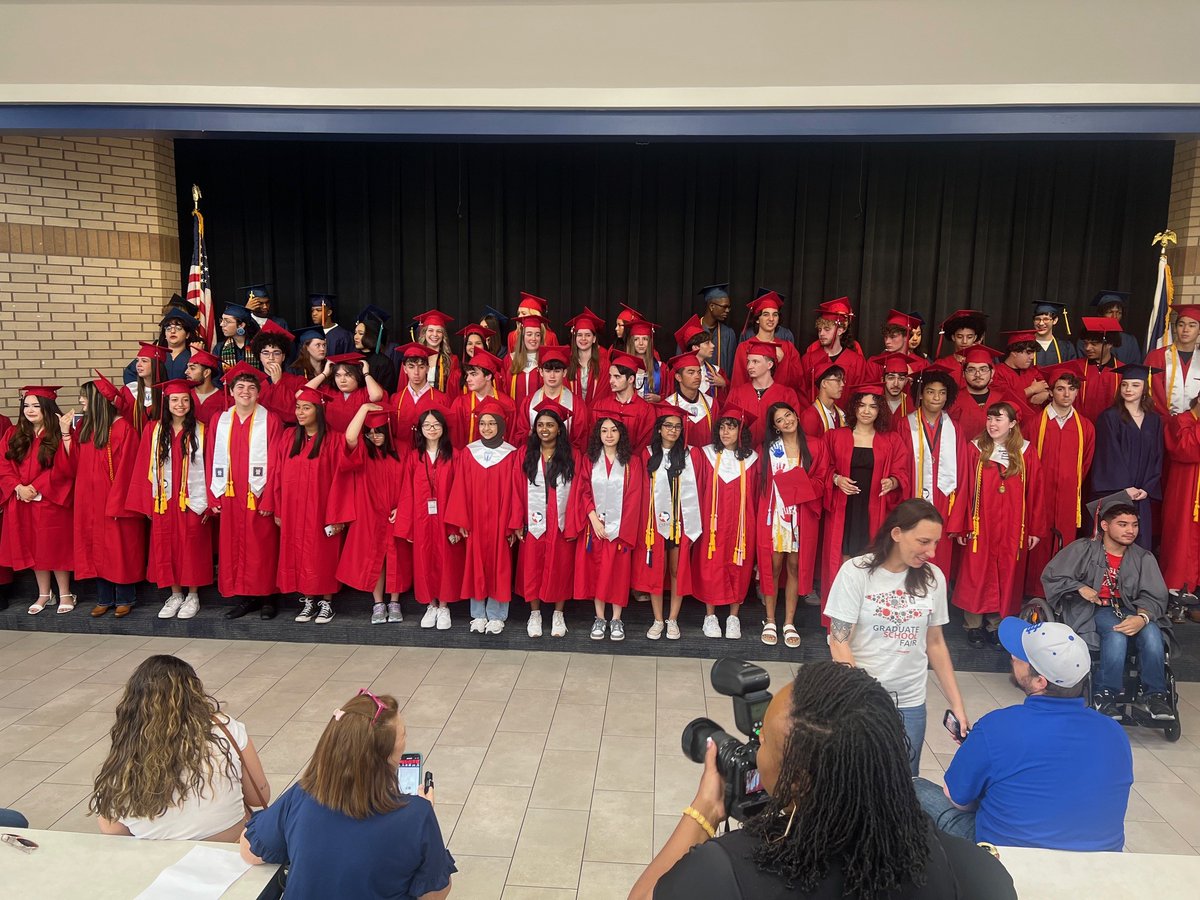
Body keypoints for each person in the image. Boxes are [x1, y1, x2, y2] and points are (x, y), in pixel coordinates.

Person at [633, 661, 1016, 900]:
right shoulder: (976, 872)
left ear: (796, 781)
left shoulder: (723, 874)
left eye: (763, 740)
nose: (756, 748)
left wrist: (703, 812)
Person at [914, 617, 1132, 853]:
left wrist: (979, 751)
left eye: (1022, 657)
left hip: (1006, 861)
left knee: (915, 789)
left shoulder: (997, 727)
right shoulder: (1114, 733)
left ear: (1040, 681)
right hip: (1099, 864)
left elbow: (958, 800)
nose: (1013, 656)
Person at [242, 690, 455, 900]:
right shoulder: (416, 814)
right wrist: (423, 820)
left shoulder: (301, 795)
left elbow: (249, 850)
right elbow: (434, 895)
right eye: (404, 734)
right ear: (387, 754)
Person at [826, 499, 968, 775]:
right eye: (924, 541)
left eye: (936, 543)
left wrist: (958, 705)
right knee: (854, 777)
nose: (932, 552)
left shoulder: (933, 579)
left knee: (903, 781)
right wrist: (861, 698)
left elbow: (936, 643)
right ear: (896, 534)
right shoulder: (856, 572)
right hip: (860, 701)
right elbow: (839, 641)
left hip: (910, 703)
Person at [92, 655, 270, 842]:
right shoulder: (224, 727)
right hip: (230, 851)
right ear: (194, 692)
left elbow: (113, 831)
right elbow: (259, 797)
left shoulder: (128, 745)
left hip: (159, 862)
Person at [1042, 492, 1175, 720]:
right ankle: (1106, 693)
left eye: (1134, 525)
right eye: (1122, 524)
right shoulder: (1083, 549)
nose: (1130, 530)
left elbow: (1154, 595)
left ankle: (1155, 695)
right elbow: (1053, 575)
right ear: (1104, 525)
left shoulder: (1143, 558)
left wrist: (1142, 618)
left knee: (1153, 633)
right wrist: (1079, 587)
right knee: (1116, 633)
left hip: (1133, 611)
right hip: (1093, 609)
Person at [952, 402, 1045, 648]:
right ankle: (973, 625)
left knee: (1006, 572)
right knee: (977, 571)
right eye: (990, 419)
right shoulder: (975, 449)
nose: (992, 424)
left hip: (1013, 526)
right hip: (981, 523)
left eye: (999, 419)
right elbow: (964, 488)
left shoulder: (1026, 452)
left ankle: (996, 625)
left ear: (1013, 423)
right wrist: (963, 524)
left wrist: (1035, 528)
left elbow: (1035, 492)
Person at [126, 379, 213, 619]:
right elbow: (143, 466)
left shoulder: (202, 430)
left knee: (192, 546)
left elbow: (212, 466)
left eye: (185, 400)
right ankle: (175, 595)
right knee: (166, 546)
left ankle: (193, 595)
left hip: (192, 501)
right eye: (175, 400)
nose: (180, 404)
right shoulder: (153, 430)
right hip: (164, 500)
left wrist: (210, 503)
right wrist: (147, 503)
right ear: (166, 403)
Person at [821, 385, 910, 614]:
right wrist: (837, 478)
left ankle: (867, 616)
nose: (867, 411)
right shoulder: (836, 436)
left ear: (880, 410)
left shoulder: (891, 440)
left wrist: (893, 481)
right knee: (844, 560)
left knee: (870, 561)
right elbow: (823, 468)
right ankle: (841, 615)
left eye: (873, 406)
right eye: (862, 405)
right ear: (854, 408)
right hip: (845, 508)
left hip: (874, 508)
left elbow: (903, 471)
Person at [206, 363, 284, 621]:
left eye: (252, 388)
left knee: (263, 547)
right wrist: (213, 495)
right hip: (229, 495)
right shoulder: (221, 419)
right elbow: (210, 459)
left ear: (259, 393)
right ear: (231, 390)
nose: (246, 392)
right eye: (240, 387)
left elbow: (276, 463)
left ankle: (268, 598)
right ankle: (245, 598)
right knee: (235, 548)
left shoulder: (270, 420)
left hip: (257, 494)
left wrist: (271, 497)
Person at [445, 398, 521, 634]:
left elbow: (515, 492)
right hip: (476, 521)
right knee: (475, 564)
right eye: (482, 423)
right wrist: (462, 521)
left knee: (500, 565)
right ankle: (478, 614)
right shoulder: (469, 453)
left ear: (501, 425)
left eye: (492, 423)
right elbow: (460, 488)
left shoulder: (511, 454)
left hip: (500, 522)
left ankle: (497, 615)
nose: (486, 428)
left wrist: (511, 526)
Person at [72, 379, 145, 618]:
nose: (81, 400)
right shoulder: (87, 428)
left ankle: (125, 598)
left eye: (85, 396)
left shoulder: (124, 430)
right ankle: (104, 598)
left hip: (115, 503)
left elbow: (128, 473)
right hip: (90, 502)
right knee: (96, 550)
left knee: (118, 550)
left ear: (98, 401)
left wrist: (117, 503)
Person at [0, 386, 76, 615]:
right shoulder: (13, 433)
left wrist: (36, 486)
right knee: (32, 546)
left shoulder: (57, 434)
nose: (30, 410)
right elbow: (4, 465)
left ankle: (65, 592)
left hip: (50, 501)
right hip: (22, 501)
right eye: (26, 405)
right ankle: (44, 593)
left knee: (55, 546)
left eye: (36, 405)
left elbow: (65, 466)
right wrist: (17, 487)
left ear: (47, 407)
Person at [331, 404, 409, 624]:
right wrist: (364, 408)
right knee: (375, 556)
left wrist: (403, 507)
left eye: (378, 431)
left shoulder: (403, 449)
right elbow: (349, 437)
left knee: (396, 556)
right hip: (370, 512)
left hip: (395, 511)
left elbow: (411, 481)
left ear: (388, 430)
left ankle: (395, 602)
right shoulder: (364, 452)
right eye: (370, 432)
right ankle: (378, 604)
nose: (374, 436)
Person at [758, 401, 827, 647]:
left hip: (802, 515)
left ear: (796, 415)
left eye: (788, 415)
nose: (786, 421)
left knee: (795, 568)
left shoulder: (816, 445)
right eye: (780, 420)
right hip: (774, 516)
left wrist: (800, 488)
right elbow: (761, 486)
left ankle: (788, 622)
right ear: (775, 427)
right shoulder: (768, 449)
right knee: (773, 567)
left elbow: (822, 478)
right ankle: (769, 620)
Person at [274, 389, 345, 624]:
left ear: (319, 410)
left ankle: (326, 602)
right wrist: (278, 508)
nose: (300, 412)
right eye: (298, 407)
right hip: (293, 510)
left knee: (321, 554)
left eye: (307, 407)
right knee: (298, 554)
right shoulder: (288, 437)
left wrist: (337, 515)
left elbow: (340, 480)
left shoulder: (334, 440)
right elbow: (277, 473)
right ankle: (308, 600)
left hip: (321, 510)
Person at [1024, 367, 1095, 596]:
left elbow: (1084, 465)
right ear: (1051, 391)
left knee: (1065, 545)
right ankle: (1034, 593)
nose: (1066, 394)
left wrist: (1066, 485)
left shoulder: (1086, 427)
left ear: (1077, 392)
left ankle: (1059, 593)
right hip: (1039, 496)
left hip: (1067, 497)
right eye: (1060, 389)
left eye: (1071, 389)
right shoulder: (1035, 424)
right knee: (1038, 543)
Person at [515, 400, 583, 639]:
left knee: (560, 566)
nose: (545, 429)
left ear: (559, 429)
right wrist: (516, 522)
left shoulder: (573, 455)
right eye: (541, 425)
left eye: (550, 425)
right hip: (532, 520)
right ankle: (535, 614)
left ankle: (558, 613)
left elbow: (578, 491)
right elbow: (515, 488)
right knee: (532, 566)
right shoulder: (525, 453)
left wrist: (573, 522)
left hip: (560, 520)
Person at [632, 405, 701, 641]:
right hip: (654, 524)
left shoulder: (691, 454)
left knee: (676, 570)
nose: (673, 430)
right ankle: (658, 619)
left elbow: (697, 491)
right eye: (668, 426)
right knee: (656, 571)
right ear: (659, 429)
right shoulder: (648, 454)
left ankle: (673, 619)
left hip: (680, 523)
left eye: (677, 426)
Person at [574, 414, 645, 641]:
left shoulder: (631, 463)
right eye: (604, 431)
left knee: (617, 574)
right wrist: (593, 518)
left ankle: (616, 618)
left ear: (621, 434)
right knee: (597, 573)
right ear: (598, 435)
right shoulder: (589, 459)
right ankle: (599, 618)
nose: (609, 435)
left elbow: (634, 498)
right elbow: (582, 490)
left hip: (620, 532)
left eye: (613, 430)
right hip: (594, 530)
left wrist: (620, 528)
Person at [693, 406, 760, 639]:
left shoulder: (753, 460)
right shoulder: (706, 455)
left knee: (739, 565)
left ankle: (733, 617)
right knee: (711, 564)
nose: (725, 432)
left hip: (742, 524)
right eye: (722, 427)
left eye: (731, 428)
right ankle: (710, 616)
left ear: (741, 431)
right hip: (713, 523)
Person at [397, 409, 466, 631]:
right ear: (420, 430)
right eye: (427, 425)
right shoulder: (414, 457)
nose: (432, 429)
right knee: (424, 560)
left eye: (436, 425)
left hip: (446, 519)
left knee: (446, 560)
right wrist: (408, 527)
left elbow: (459, 492)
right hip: (421, 519)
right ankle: (431, 604)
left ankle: (444, 606)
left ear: (443, 428)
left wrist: (456, 524)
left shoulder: (455, 455)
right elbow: (406, 492)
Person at [1091, 364, 1162, 550]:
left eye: (1135, 385)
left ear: (1145, 388)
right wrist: (1124, 488)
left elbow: (1157, 456)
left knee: (1140, 542)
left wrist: (1147, 488)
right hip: (1117, 494)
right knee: (1116, 542)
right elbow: (1108, 455)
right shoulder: (1109, 417)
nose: (1128, 389)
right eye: (1125, 385)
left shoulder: (1154, 420)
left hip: (1141, 495)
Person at [901, 367, 966, 570]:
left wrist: (957, 517)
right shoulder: (906, 424)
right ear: (921, 394)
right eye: (930, 391)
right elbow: (900, 467)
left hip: (945, 501)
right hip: (914, 497)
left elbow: (963, 473)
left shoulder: (954, 428)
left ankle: (936, 597)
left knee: (940, 555)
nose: (937, 397)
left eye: (942, 392)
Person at [511, 345, 591, 451]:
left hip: (566, 460)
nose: (552, 376)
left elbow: (581, 439)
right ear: (541, 372)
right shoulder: (529, 402)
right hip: (536, 458)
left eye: (557, 371)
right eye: (548, 371)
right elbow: (520, 434)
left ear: (564, 373)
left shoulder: (576, 404)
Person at [725, 340, 802, 445]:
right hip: (743, 456)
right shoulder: (737, 393)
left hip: (774, 456)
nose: (749, 367)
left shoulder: (787, 394)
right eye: (748, 361)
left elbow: (793, 430)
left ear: (769, 365)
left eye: (755, 362)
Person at [1162, 396, 1200, 604]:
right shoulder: (1180, 421)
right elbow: (1187, 450)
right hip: (1185, 491)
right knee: (1182, 537)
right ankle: (1179, 590)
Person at [798, 298, 871, 402]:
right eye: (819, 329)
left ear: (840, 330)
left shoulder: (857, 361)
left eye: (827, 329)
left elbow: (859, 396)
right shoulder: (808, 359)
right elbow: (802, 393)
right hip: (816, 415)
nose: (821, 334)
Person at [729, 292, 801, 391]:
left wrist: (783, 360)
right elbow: (738, 382)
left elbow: (798, 383)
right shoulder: (745, 347)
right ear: (757, 319)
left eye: (775, 315)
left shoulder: (788, 348)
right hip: (751, 402)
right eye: (766, 314)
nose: (771, 319)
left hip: (780, 403)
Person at [448, 348, 516, 447]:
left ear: (488, 376)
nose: (468, 379)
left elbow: (511, 437)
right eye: (467, 375)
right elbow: (455, 439)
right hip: (467, 459)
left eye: (473, 374)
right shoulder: (460, 404)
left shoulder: (507, 403)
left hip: (500, 459)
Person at [591, 350, 657, 452]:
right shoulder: (600, 406)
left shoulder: (646, 410)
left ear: (630, 379)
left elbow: (644, 445)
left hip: (634, 464)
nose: (611, 381)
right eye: (610, 376)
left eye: (617, 377)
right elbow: (594, 440)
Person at [307, 355, 386, 433]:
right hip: (333, 442)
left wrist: (366, 374)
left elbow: (377, 396)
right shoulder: (329, 391)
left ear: (358, 375)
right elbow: (304, 392)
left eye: (348, 375)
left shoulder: (366, 391)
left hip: (358, 442)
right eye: (338, 375)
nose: (342, 380)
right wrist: (324, 373)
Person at [1146, 303, 1200, 415]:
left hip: (1195, 426)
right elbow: (1152, 393)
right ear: (1175, 328)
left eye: (1192, 325)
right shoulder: (1156, 357)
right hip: (1163, 423)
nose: (1185, 329)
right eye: (1181, 325)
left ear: (1199, 330)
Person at [389, 343, 449, 443]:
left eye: (421, 367)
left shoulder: (442, 399)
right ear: (405, 369)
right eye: (411, 367)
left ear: (427, 368)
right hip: (402, 455)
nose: (416, 372)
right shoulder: (396, 399)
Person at [990, 329, 1049, 428]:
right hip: (1010, 428)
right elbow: (1005, 399)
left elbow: (1047, 387)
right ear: (1014, 352)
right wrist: (1032, 389)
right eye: (1028, 353)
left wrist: (1046, 394)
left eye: (1033, 353)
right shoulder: (998, 372)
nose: (1032, 357)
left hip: (1036, 426)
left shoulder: (1034, 371)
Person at [252, 320, 305, 425]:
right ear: (259, 356)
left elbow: (294, 415)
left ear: (283, 357)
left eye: (276, 353)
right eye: (266, 353)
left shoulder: (299, 382)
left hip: (289, 435)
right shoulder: (252, 383)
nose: (271, 358)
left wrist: (277, 383)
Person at [663, 352, 721, 448]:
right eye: (691, 372)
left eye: (699, 372)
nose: (697, 376)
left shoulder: (712, 404)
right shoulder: (667, 406)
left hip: (706, 460)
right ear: (678, 377)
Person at [1074, 316, 1124, 422]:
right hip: (1081, 428)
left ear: (1109, 344)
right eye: (1086, 343)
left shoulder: (1122, 371)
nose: (1087, 348)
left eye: (1094, 344)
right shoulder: (1076, 368)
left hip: (1111, 430)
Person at [691, 283, 738, 377]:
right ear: (712, 306)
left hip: (720, 388)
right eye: (724, 307)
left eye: (729, 307)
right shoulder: (691, 330)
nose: (727, 310)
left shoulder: (728, 334)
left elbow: (732, 368)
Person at [564, 307, 610, 405]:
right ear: (575, 338)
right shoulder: (567, 363)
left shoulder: (604, 365)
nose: (583, 338)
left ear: (594, 339)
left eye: (588, 335)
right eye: (580, 335)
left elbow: (603, 395)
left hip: (596, 414)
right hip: (573, 414)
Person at [1087, 290, 1142, 365]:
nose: (1115, 317)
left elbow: (1134, 367)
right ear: (1100, 314)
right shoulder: (1087, 340)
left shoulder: (1130, 341)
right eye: (1110, 312)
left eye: (1119, 313)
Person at [119, 341, 166, 432]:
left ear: (156, 365)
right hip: (133, 442)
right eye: (138, 360)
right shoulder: (128, 391)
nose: (138, 365)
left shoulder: (168, 393)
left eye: (144, 361)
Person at [353, 304, 398, 393]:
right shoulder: (351, 358)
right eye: (355, 333)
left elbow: (387, 392)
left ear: (372, 336)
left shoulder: (384, 363)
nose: (355, 337)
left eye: (361, 333)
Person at [933, 309, 989, 382]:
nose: (964, 341)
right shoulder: (941, 365)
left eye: (969, 337)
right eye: (960, 337)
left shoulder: (984, 365)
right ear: (953, 337)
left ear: (975, 337)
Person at [414, 310, 461, 395]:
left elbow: (453, 392)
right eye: (430, 330)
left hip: (441, 405)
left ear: (443, 335)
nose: (435, 334)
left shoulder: (452, 360)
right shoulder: (414, 358)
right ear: (424, 333)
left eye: (439, 331)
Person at [507, 311, 547, 408]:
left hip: (541, 417)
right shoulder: (510, 360)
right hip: (516, 415)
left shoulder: (546, 361)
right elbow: (504, 389)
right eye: (529, 334)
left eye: (537, 335)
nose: (533, 338)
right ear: (522, 336)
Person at [798, 362, 845, 438]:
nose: (842, 384)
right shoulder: (810, 416)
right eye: (838, 380)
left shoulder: (841, 414)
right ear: (824, 383)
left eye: (843, 380)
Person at [184, 348, 228, 427]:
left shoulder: (225, 400)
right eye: (187, 367)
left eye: (192, 368)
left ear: (206, 372)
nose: (186, 371)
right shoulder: (185, 396)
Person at [214, 303, 259, 374]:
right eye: (222, 320)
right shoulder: (219, 348)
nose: (221, 324)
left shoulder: (258, 346)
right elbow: (217, 376)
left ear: (241, 325)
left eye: (227, 321)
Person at [308, 292, 355, 358]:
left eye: (318, 310)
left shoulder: (344, 336)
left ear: (329, 312)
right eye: (312, 310)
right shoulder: (311, 334)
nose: (314, 314)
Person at [1031, 300, 1077, 366]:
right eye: (1037, 319)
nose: (1041, 323)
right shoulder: (1026, 346)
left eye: (1046, 319)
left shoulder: (1066, 348)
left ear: (1055, 320)